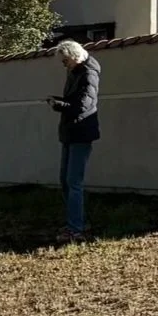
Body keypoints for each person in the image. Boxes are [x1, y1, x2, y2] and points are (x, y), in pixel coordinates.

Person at [47, 39, 101, 240]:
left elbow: (83, 106)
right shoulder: (76, 70)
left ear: (75, 57)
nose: (64, 65)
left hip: (81, 131)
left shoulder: (88, 73)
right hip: (71, 131)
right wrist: (59, 102)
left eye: (65, 61)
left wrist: (58, 105)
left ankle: (76, 228)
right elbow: (75, 102)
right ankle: (76, 222)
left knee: (73, 181)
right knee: (66, 180)